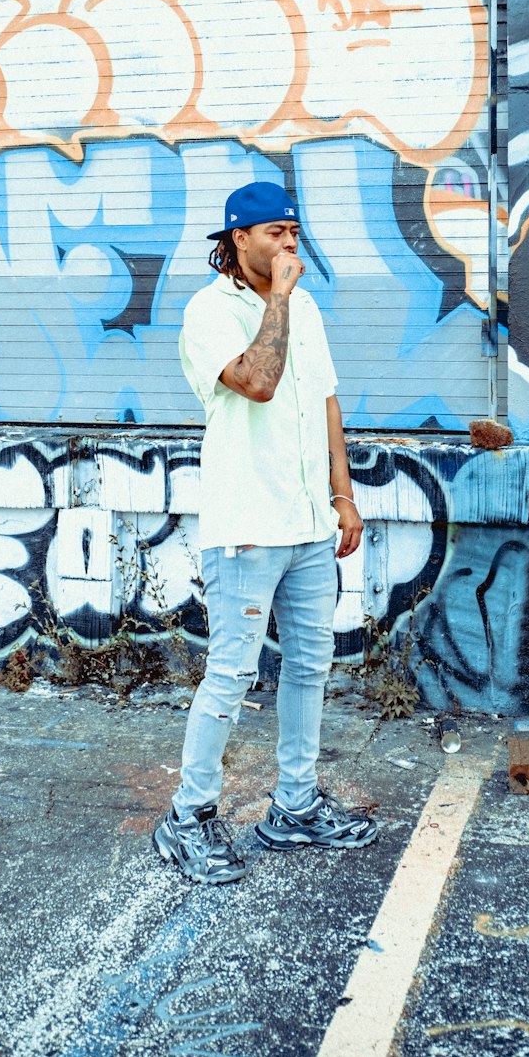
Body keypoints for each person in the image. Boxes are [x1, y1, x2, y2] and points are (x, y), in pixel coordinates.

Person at [153, 180, 378, 884]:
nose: (289, 244)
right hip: (247, 525)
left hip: (310, 522)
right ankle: (187, 817)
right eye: (275, 232)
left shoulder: (306, 308)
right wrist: (275, 298)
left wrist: (343, 496)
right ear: (237, 240)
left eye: (294, 232)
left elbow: (326, 401)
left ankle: (296, 807)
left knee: (311, 666)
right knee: (232, 672)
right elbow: (257, 381)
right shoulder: (208, 311)